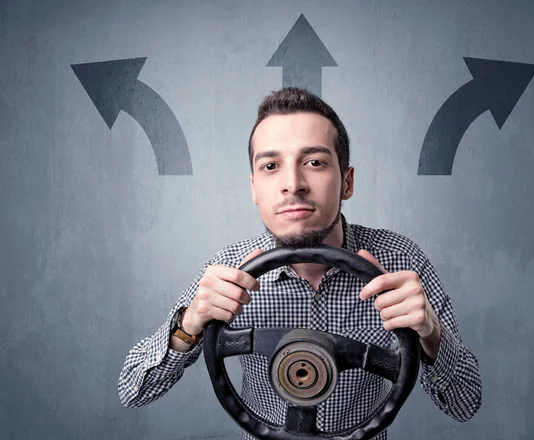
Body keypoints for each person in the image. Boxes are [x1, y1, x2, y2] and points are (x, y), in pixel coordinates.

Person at [118, 87, 482, 439]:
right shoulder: (227, 270)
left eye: (314, 162)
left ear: (347, 182)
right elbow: (133, 391)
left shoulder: (400, 261)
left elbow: (466, 403)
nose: (293, 184)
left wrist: (431, 333)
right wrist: (190, 324)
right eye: (271, 165)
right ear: (254, 189)